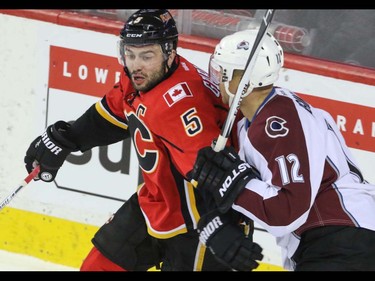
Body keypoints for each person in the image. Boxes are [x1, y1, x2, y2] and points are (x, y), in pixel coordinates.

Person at [23, 9, 263, 271]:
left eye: (147, 55)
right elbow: (111, 115)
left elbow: (213, 172)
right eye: (130, 53)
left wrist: (218, 225)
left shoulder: (181, 105)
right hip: (157, 203)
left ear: (170, 52)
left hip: (199, 224)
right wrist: (66, 139)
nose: (136, 64)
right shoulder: (138, 76)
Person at [189, 29, 375, 271]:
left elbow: (288, 210)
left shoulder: (277, 123)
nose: (217, 79)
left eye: (222, 72)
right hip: (337, 242)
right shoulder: (258, 119)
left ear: (245, 78)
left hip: (342, 241)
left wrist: (235, 185)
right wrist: (218, 215)